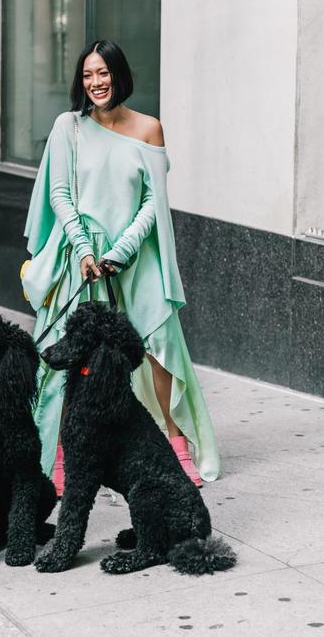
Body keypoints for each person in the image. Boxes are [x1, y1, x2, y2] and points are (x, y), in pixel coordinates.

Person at [22, 39, 220, 496]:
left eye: (103, 73)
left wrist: (124, 249)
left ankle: (175, 447)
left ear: (119, 74)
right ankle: (60, 452)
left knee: (161, 345)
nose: (96, 83)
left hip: (138, 253)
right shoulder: (68, 127)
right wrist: (85, 249)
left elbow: (154, 201)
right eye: (88, 75)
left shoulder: (149, 129)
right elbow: (60, 194)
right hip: (82, 252)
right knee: (64, 355)